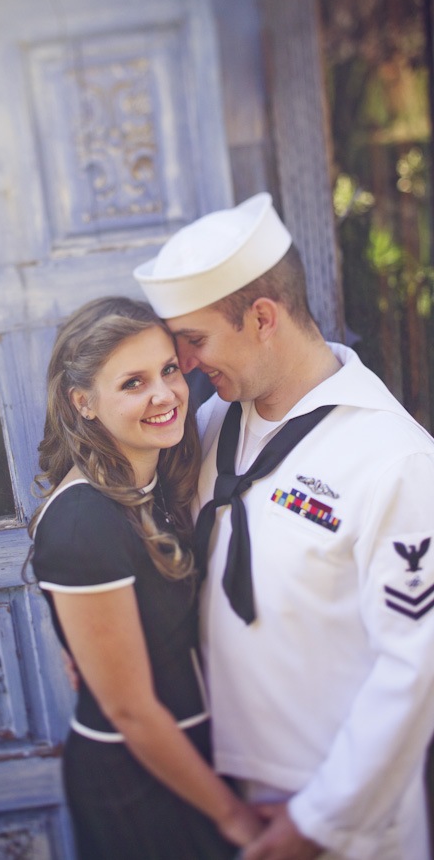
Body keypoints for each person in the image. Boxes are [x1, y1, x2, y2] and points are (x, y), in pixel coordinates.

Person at [133, 192, 434, 860]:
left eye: (195, 339)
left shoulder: (395, 461)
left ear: (263, 317)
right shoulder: (210, 426)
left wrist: (316, 824)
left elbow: (414, 671)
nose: (183, 362)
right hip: (228, 799)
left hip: (341, 818)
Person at [24, 296, 263, 859]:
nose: (164, 395)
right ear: (82, 402)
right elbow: (130, 709)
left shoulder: (159, 484)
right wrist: (236, 820)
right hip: (139, 782)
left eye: (169, 370)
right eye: (133, 383)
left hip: (197, 754)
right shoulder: (83, 521)